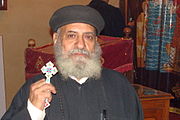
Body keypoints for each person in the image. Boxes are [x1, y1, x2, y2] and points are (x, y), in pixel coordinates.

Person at [1, 5, 143, 120]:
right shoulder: (35, 89)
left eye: (88, 37)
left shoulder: (120, 87)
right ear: (57, 39)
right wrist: (32, 112)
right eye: (71, 35)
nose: (80, 45)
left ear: (96, 43)